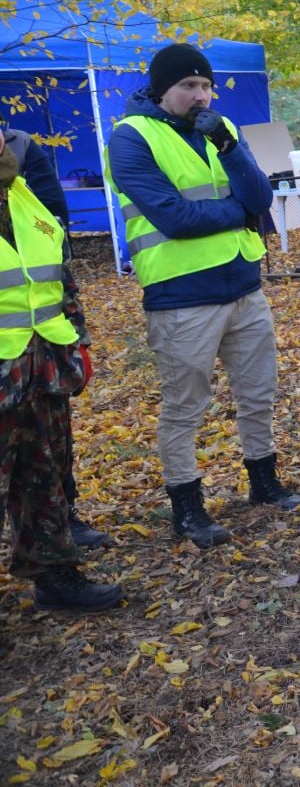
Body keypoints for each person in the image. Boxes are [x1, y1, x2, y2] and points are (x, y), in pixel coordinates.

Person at [105, 42, 300, 549]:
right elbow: (174, 217)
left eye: (205, 86)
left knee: (258, 393)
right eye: (188, 87)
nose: (200, 96)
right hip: (181, 297)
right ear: (160, 89)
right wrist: (238, 213)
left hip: (243, 285)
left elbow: (261, 198)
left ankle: (264, 482)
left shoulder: (223, 130)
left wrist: (231, 149)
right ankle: (187, 507)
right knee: (185, 404)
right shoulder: (131, 138)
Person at [0, 134, 122, 611]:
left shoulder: (23, 194)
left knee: (43, 476)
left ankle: (55, 577)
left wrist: (77, 341)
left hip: (40, 364)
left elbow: (58, 277)